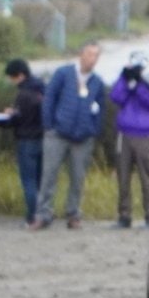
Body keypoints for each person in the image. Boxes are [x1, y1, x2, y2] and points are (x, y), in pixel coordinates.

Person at [31, 41, 105, 231]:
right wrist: (49, 126)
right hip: (57, 134)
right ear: (81, 54)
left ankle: (73, 214)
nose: (93, 59)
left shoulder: (96, 82)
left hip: (82, 138)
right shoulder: (63, 74)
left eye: (96, 56)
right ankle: (43, 214)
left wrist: (92, 129)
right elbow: (49, 99)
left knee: (78, 178)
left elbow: (100, 108)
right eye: (90, 54)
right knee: (49, 175)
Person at [109, 51, 149, 229]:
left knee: (147, 177)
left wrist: (140, 84)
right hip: (124, 134)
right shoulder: (126, 78)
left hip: (144, 134)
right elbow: (116, 97)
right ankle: (124, 215)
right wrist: (125, 79)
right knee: (123, 176)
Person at [0, 58, 46, 225]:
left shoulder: (24, 94)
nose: (11, 81)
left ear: (19, 75)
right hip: (43, 139)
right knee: (41, 180)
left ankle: (33, 216)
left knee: (29, 180)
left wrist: (5, 117)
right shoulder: (42, 90)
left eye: (12, 77)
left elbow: (17, 119)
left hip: (26, 140)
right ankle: (44, 213)